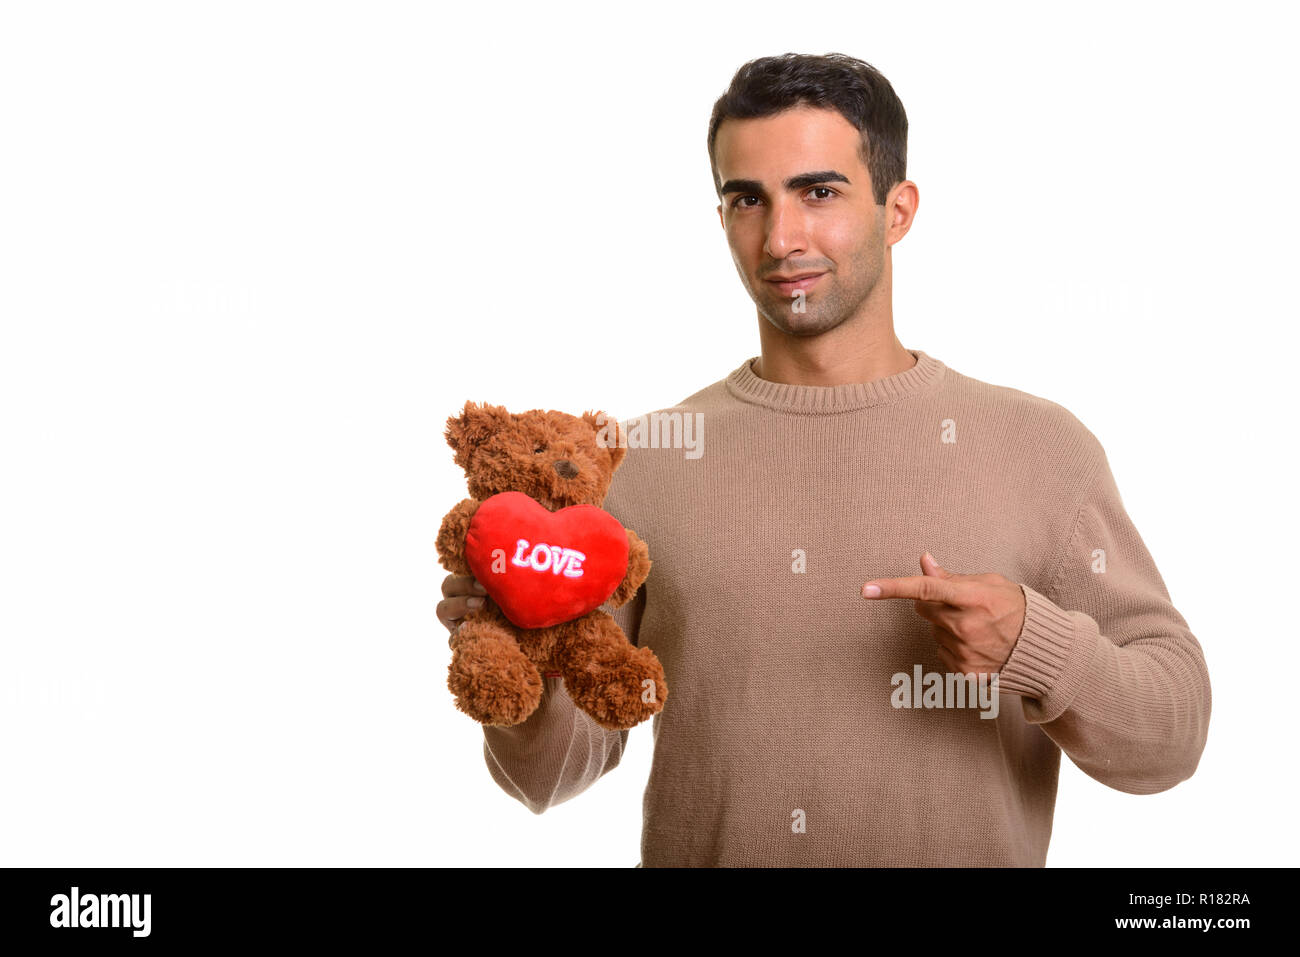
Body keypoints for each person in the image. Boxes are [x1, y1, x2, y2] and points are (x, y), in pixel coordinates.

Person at [437, 52, 1211, 867]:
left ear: (898, 209)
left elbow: (1173, 736)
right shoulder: (641, 463)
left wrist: (1037, 643)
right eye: (747, 199)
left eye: (820, 192)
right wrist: (518, 663)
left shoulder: (1041, 448)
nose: (781, 238)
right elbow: (552, 777)